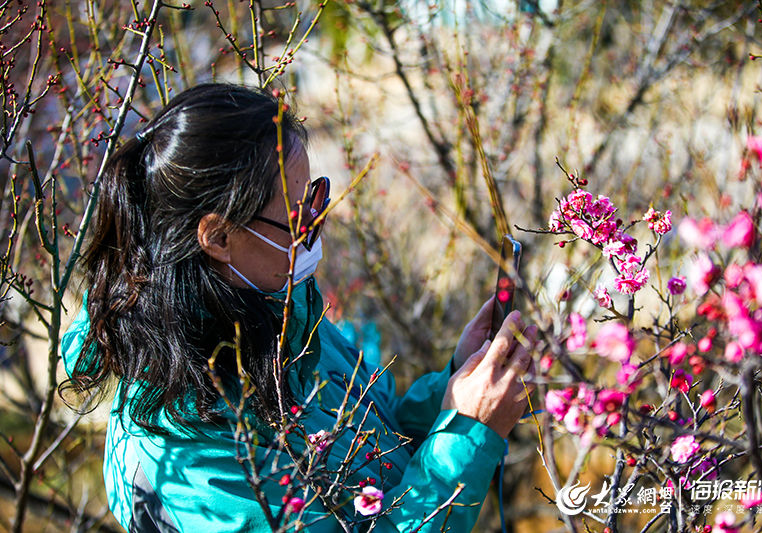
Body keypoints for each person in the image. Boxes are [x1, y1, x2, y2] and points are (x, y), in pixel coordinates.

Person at [60, 83, 537, 532]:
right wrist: (467, 437)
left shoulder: (280, 314)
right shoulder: (188, 458)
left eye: (317, 195)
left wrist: (457, 390)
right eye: (296, 213)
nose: (318, 223)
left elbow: (376, 449)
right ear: (220, 237)